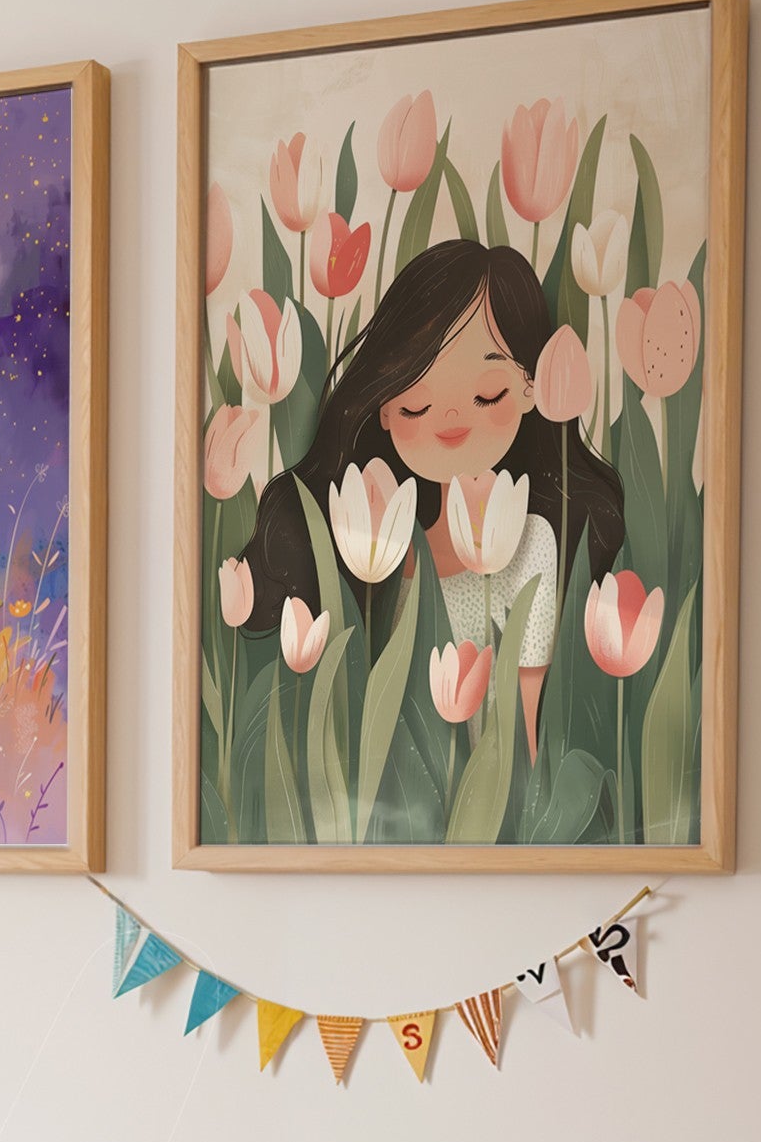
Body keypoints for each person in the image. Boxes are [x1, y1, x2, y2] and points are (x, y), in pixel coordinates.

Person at [244, 241, 624, 759]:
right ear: (383, 404)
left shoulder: (533, 542)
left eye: (487, 395)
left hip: (485, 787)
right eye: (418, 403)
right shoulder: (375, 542)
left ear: (530, 388)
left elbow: (529, 705)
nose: (450, 420)